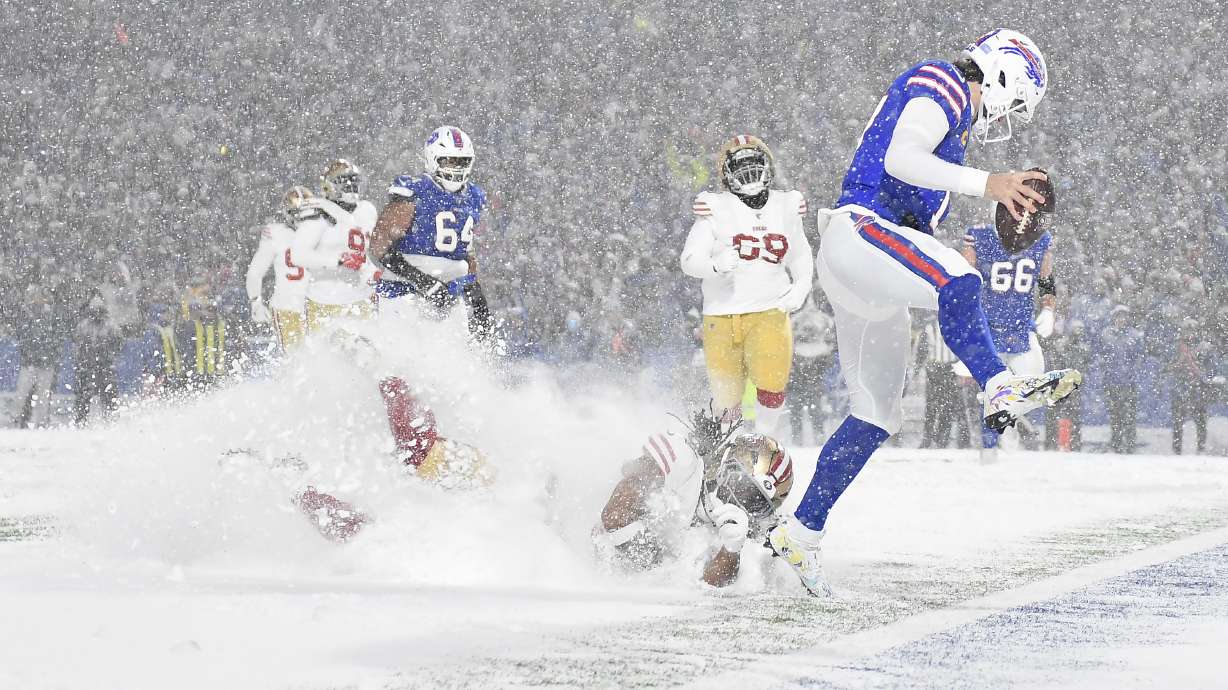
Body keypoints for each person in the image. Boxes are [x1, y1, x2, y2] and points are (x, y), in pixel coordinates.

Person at [767, 29, 1082, 596]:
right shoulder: (945, 81)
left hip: (871, 260)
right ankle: (999, 387)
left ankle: (801, 532)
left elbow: (918, 183)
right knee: (959, 279)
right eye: (1016, 100)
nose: (1009, 115)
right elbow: (901, 157)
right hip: (861, 230)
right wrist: (991, 185)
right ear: (1004, 73)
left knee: (875, 414)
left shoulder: (957, 126)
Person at [679, 135, 814, 436]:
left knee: (771, 382)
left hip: (769, 308)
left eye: (754, 163)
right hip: (721, 315)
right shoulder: (715, 207)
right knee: (726, 400)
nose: (749, 171)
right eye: (740, 165)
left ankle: (763, 443)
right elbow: (689, 260)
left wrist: (802, 286)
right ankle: (724, 450)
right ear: (726, 173)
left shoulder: (786, 205)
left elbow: (800, 254)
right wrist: (714, 265)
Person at [594, 409, 794, 588]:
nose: (743, 502)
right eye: (744, 487)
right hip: (599, 548)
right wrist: (656, 564)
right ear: (728, 464)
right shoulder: (684, 463)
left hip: (627, 574)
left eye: (757, 502)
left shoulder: (739, 529)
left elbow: (709, 584)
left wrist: (731, 550)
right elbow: (615, 515)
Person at [368, 127, 494, 341]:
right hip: (403, 289)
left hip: (449, 292)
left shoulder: (473, 196)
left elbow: (465, 249)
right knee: (398, 360)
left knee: (454, 361)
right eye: (449, 161)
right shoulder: (415, 191)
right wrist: (423, 281)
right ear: (433, 158)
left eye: (462, 162)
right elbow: (379, 246)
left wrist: (474, 288)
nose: (456, 168)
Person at [960, 208, 1057, 461]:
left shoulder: (1040, 239)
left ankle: (1009, 422)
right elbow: (964, 275)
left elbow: (1045, 279)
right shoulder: (980, 237)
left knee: (1034, 390)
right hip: (989, 327)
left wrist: (1048, 308)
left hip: (1021, 328)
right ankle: (991, 448)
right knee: (991, 389)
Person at [289, 160, 379, 333]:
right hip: (324, 300)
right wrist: (337, 260)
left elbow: (369, 251)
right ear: (328, 186)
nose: (351, 186)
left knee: (369, 354)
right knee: (326, 356)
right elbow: (298, 255)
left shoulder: (367, 210)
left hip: (362, 298)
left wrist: (373, 270)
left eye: (354, 180)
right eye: (344, 181)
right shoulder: (316, 213)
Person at [245, 186, 313, 350]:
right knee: (300, 360)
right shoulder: (277, 233)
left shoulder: (323, 230)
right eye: (298, 213)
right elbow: (255, 273)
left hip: (309, 305)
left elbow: (254, 273)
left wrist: (256, 302)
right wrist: (255, 303)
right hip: (292, 306)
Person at [10, 287, 65, 428]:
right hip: (30, 362)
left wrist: (50, 356)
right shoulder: (26, 314)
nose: (37, 299)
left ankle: (41, 421)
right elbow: (22, 335)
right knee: (21, 394)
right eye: (34, 296)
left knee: (43, 396)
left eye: (40, 296)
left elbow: (57, 337)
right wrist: (28, 353)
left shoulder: (52, 314)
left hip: (46, 363)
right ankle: (16, 418)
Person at [788, 295, 836, 445]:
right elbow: (830, 347)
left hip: (802, 374)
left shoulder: (793, 321)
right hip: (806, 374)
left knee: (806, 410)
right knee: (810, 409)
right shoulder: (823, 320)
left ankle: (806, 439)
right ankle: (813, 438)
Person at [913, 314, 963, 449]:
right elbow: (921, 351)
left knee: (947, 406)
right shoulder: (929, 328)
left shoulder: (955, 327)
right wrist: (918, 369)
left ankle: (941, 438)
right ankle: (929, 438)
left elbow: (962, 349)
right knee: (932, 406)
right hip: (935, 369)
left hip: (950, 369)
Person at [72, 293, 123, 424]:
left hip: (104, 366)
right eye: (94, 311)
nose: (96, 314)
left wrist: (107, 353)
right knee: (83, 397)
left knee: (109, 396)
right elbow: (77, 345)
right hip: (87, 365)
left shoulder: (111, 326)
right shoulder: (83, 326)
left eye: (99, 310)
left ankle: (111, 421)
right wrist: (81, 361)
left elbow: (119, 343)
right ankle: (80, 421)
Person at [1099, 306, 1142, 454]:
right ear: (1114, 318)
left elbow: (1139, 357)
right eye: (1118, 316)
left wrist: (1132, 372)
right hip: (1111, 381)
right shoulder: (1106, 334)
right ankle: (1116, 443)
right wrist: (1106, 369)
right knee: (1115, 414)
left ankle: (1130, 444)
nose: (1121, 320)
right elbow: (1101, 355)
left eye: (1124, 317)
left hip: (1129, 382)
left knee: (1129, 414)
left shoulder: (1135, 336)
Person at [1168, 321, 1211, 455]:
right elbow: (1168, 366)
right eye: (1187, 331)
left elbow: (1210, 366)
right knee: (1178, 421)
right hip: (1180, 386)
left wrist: (1202, 372)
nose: (1190, 334)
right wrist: (1178, 364)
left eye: (1192, 331)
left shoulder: (1203, 347)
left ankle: (1201, 448)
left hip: (1198, 387)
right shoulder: (1176, 347)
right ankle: (1176, 449)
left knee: (1201, 421)